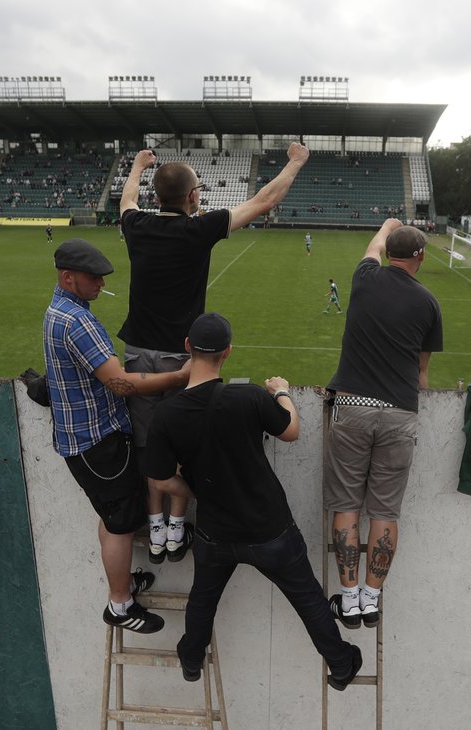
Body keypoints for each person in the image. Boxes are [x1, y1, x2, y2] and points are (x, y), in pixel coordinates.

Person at [145, 312, 362, 691]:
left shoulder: (167, 414)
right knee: (308, 597)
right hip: (269, 528)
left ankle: (192, 658)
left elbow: (162, 479)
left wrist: (195, 492)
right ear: (227, 352)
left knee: (203, 599)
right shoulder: (246, 397)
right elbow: (291, 430)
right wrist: (281, 392)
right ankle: (340, 663)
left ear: (187, 349)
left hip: (216, 531)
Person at [118, 142, 310, 562]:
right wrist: (295, 162)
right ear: (192, 197)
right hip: (182, 361)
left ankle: (155, 532)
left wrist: (136, 166)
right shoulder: (198, 229)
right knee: (185, 445)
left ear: (157, 197)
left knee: (151, 448)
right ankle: (175, 529)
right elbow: (265, 200)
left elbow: (127, 199)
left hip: (136, 358)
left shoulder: (136, 226)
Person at [43, 238, 191, 635]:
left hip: (83, 439)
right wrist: (179, 377)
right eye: (93, 278)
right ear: (67, 277)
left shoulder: (63, 311)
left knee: (112, 516)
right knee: (121, 523)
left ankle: (122, 583)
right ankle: (120, 604)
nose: (100, 284)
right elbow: (122, 384)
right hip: (98, 442)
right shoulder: (78, 321)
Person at [323, 220, 443, 629]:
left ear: (389, 251)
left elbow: (371, 248)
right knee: (385, 512)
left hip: (353, 407)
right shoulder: (428, 302)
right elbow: (423, 373)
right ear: (420, 256)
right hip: (399, 413)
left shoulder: (365, 278)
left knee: (346, 506)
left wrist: (386, 226)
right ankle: (372, 600)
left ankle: (349, 597)